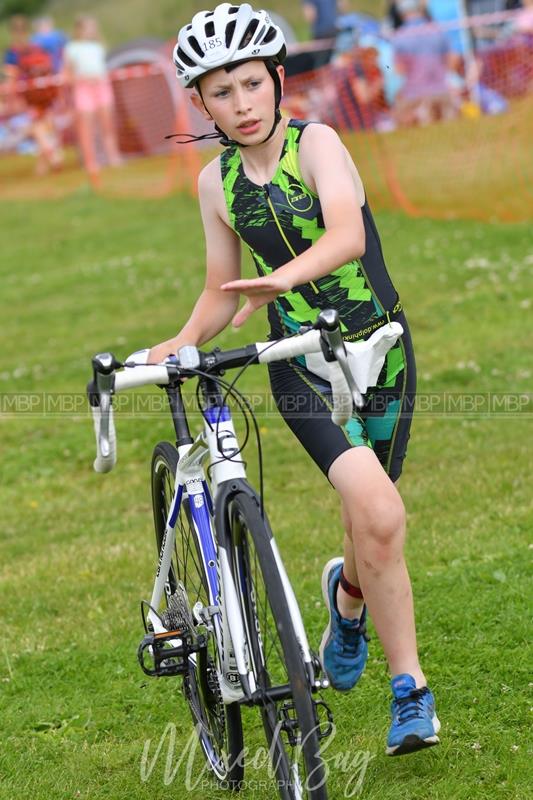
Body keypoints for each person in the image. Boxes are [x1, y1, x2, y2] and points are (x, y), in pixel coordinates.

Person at [149, 2, 440, 756]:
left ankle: (348, 600)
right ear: (200, 104)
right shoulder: (216, 184)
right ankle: (410, 692)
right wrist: (181, 339)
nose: (240, 105)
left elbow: (344, 234)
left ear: (278, 79)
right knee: (378, 512)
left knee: (370, 524)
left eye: (251, 84)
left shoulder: (317, 144)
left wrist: (282, 277)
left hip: (380, 351)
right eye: (220, 93)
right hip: (296, 367)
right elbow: (221, 288)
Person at [63, 14, 122, 180]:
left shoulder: (98, 47)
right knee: (87, 128)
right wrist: (84, 80)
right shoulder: (72, 48)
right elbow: (67, 75)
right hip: (83, 90)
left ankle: (113, 157)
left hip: (102, 87)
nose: (92, 30)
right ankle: (91, 161)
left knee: (107, 125)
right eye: (89, 27)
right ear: (80, 29)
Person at [2, 14, 63, 174]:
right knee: (44, 126)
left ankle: (54, 155)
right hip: (45, 93)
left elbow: (10, 77)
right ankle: (41, 167)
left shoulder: (12, 53)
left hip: (28, 96)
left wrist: (9, 99)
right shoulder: (37, 48)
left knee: (37, 128)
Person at [393, 0, 457, 126]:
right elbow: (452, 59)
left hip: (413, 95)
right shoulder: (437, 30)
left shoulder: (399, 36)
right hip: (442, 91)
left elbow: (399, 70)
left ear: (401, 13)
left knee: (398, 118)